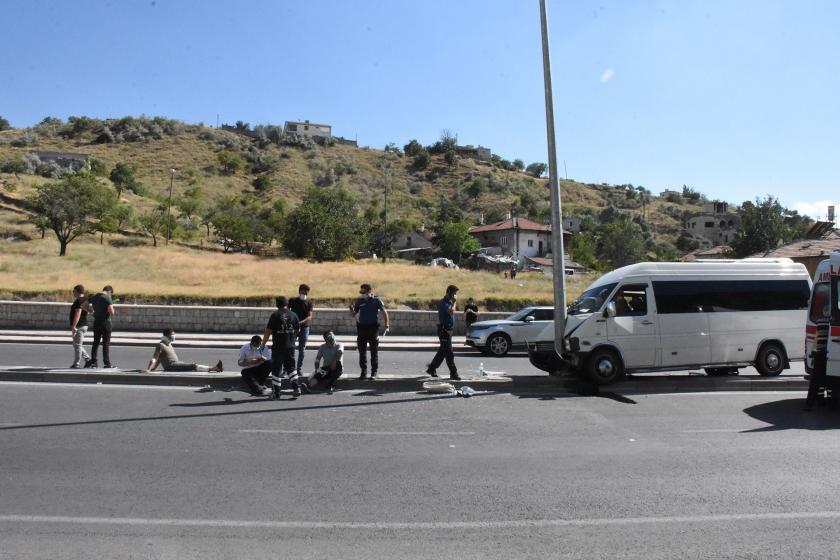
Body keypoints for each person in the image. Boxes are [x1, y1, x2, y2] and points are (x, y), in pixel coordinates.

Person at [262, 296, 301, 398]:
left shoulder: (275, 315)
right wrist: (292, 338)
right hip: (290, 347)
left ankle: (277, 393)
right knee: (291, 368)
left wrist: (263, 344)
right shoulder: (294, 315)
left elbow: (268, 332)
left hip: (278, 346)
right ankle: (296, 388)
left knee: (277, 369)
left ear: (276, 304)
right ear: (287, 304)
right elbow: (298, 330)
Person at [349, 283, 389, 380]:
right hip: (362, 329)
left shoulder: (376, 300)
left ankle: (373, 373)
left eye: (363, 291)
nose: (362, 293)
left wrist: (387, 325)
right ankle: (363, 372)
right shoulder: (359, 301)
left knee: (373, 352)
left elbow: (384, 312)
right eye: (361, 291)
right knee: (362, 352)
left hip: (373, 329)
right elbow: (354, 314)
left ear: (369, 291)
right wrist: (351, 310)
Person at [142, 328, 223, 373]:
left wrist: (154, 368)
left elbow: (160, 359)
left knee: (191, 365)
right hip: (171, 366)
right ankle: (215, 368)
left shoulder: (168, 343)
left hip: (177, 363)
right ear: (167, 335)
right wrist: (149, 369)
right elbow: (155, 358)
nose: (174, 336)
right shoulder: (161, 345)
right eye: (172, 334)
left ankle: (215, 368)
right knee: (193, 365)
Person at [426, 284, 461, 380]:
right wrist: (455, 302)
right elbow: (451, 312)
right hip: (444, 330)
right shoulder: (443, 302)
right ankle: (453, 373)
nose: (455, 295)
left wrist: (453, 302)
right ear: (449, 292)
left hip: (448, 330)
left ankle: (431, 368)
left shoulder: (449, 302)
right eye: (454, 293)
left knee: (442, 352)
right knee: (449, 353)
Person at [305, 330, 344, 394]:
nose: (332, 336)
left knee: (338, 364)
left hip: (336, 368)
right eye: (329, 335)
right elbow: (317, 360)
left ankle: (329, 385)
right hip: (326, 368)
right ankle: (307, 386)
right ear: (325, 339)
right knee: (319, 374)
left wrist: (334, 362)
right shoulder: (322, 347)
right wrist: (317, 370)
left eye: (332, 334)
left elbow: (340, 352)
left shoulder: (339, 344)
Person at [88, 285, 116, 368]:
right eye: (111, 294)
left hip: (96, 322)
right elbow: (112, 312)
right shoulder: (107, 298)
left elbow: (84, 304)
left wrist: (92, 312)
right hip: (106, 323)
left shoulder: (94, 297)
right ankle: (107, 363)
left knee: (95, 342)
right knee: (105, 344)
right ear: (109, 291)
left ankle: (94, 362)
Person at [289, 284, 313, 377]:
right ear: (299, 291)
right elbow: (288, 311)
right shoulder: (293, 300)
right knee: (290, 348)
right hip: (293, 328)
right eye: (304, 291)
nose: (305, 293)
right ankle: (288, 368)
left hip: (304, 328)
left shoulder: (309, 302)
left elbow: (310, 316)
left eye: (307, 291)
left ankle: (299, 369)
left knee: (301, 350)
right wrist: (293, 322)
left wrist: (300, 323)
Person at [69, 284, 91, 369]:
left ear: (77, 291)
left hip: (79, 326)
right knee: (77, 344)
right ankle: (88, 359)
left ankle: (76, 364)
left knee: (77, 345)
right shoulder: (85, 299)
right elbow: (90, 311)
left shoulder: (79, 300)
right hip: (84, 325)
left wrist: (74, 326)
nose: (73, 293)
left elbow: (78, 313)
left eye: (74, 291)